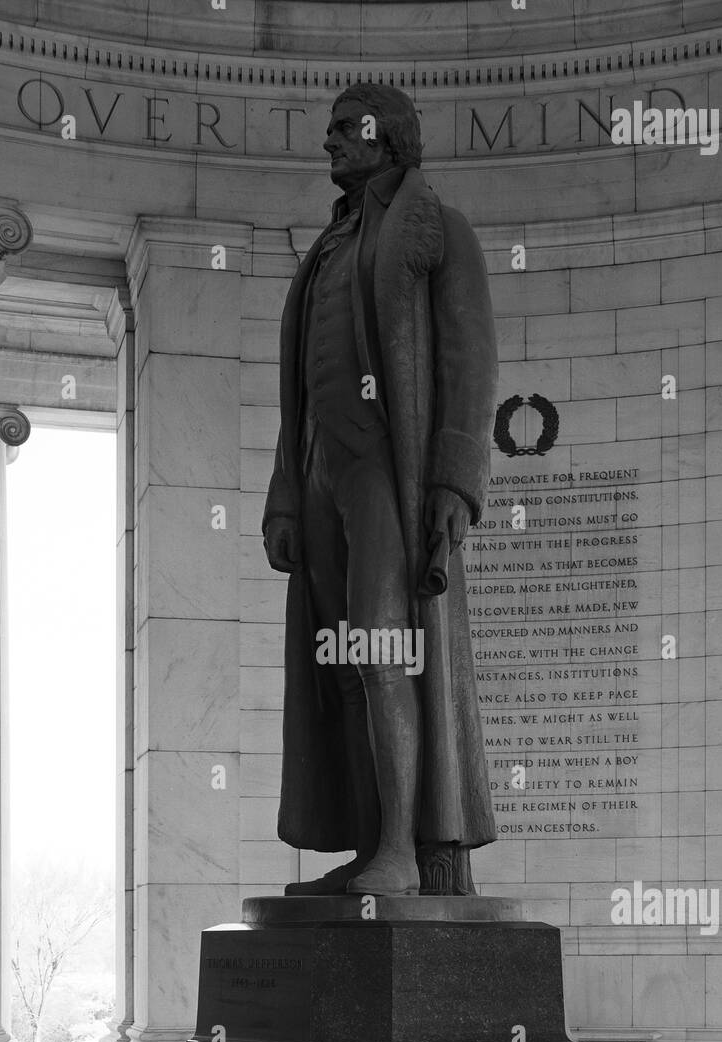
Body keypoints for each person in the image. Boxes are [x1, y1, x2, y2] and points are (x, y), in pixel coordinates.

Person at [263, 83, 497, 896]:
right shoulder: (324, 251)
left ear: (388, 139)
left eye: (344, 130)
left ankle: (402, 847)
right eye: (327, 129)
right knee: (341, 665)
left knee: (380, 645)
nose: (328, 142)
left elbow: (469, 362)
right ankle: (369, 842)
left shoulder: (437, 229)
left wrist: (455, 483)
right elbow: (298, 392)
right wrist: (285, 492)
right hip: (325, 471)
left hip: (386, 475)